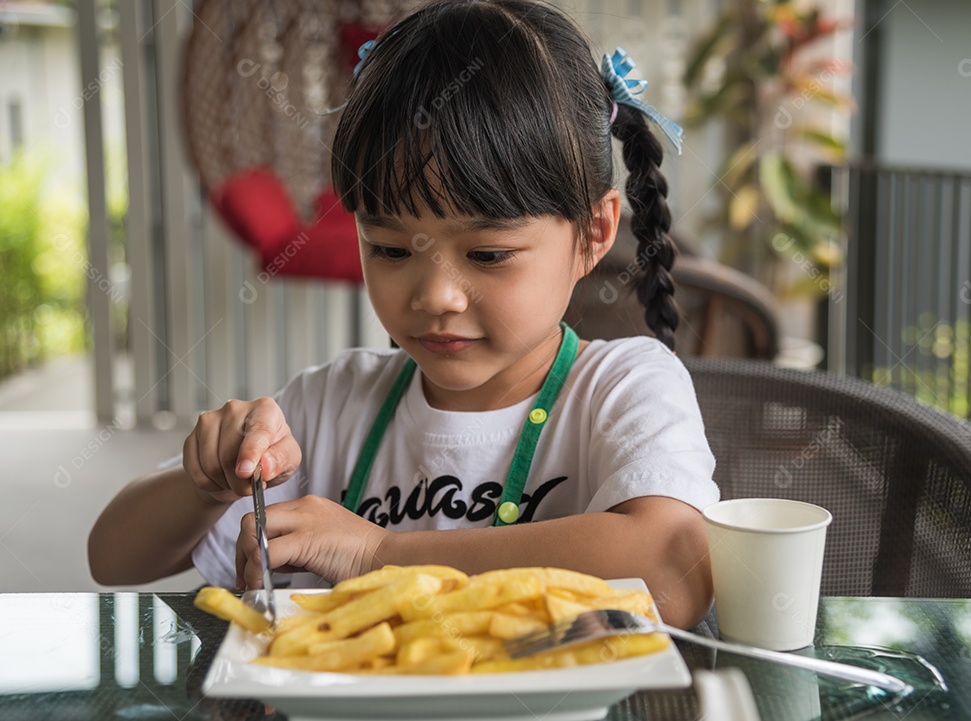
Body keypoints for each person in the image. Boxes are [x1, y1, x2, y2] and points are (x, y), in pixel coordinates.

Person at [89, 0, 718, 629]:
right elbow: (111, 559)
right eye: (389, 248)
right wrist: (207, 484)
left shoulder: (623, 388)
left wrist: (378, 554)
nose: (435, 296)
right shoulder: (330, 406)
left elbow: (672, 570)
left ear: (594, 231)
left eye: (488, 253)